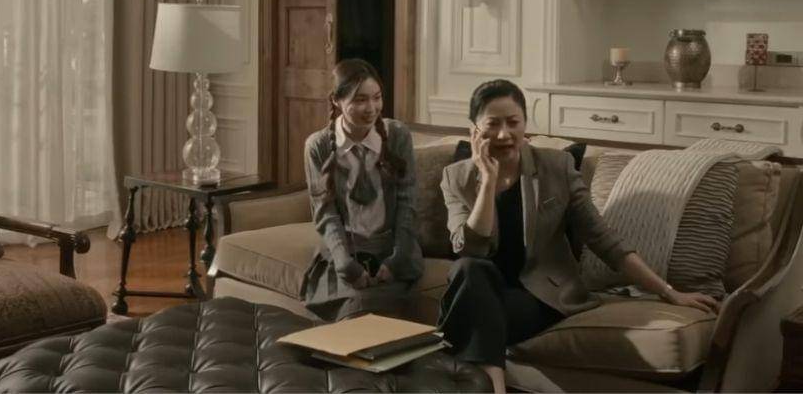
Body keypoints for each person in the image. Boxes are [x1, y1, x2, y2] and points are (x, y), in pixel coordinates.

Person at [439, 79, 720, 394]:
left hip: (540, 297)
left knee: (468, 312)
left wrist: (669, 292)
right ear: (474, 130)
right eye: (493, 124)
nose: (504, 134)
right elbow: (469, 249)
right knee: (469, 270)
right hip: (485, 291)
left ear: (525, 124)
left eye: (513, 122)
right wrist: (488, 182)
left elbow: (603, 239)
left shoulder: (556, 166)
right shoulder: (457, 177)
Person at [301, 58, 424, 322]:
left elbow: (408, 203)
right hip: (345, 254)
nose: (371, 108)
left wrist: (397, 260)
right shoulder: (318, 146)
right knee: (355, 313)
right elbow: (325, 213)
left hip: (393, 254)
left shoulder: (397, 136)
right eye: (360, 100)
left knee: (365, 315)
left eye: (377, 98)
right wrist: (345, 263)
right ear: (336, 100)